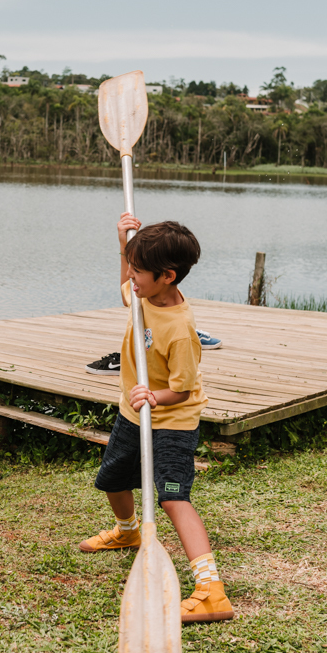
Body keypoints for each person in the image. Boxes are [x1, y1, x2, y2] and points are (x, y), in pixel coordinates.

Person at [79, 212, 234, 624]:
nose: (131, 275)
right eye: (130, 265)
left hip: (172, 421)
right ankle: (128, 531)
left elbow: (182, 389)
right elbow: (124, 288)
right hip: (134, 412)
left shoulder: (181, 330)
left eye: (139, 270)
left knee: (171, 497)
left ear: (167, 275)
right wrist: (122, 243)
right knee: (112, 479)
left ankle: (211, 591)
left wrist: (155, 395)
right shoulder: (143, 296)